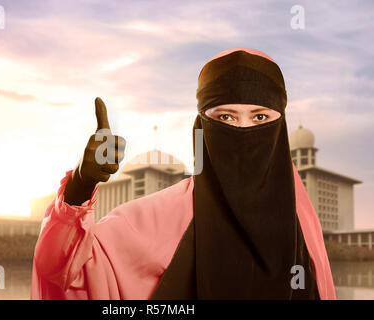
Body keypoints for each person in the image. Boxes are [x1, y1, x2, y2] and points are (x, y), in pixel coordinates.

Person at [31, 48, 336, 300]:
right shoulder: (154, 220)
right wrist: (80, 187)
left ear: (279, 125)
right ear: (203, 126)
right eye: (225, 116)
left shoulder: (302, 218)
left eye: (260, 117)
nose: (243, 131)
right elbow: (62, 273)